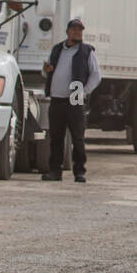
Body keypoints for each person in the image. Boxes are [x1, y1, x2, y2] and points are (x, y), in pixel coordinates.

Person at [41, 18, 101, 182]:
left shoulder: (86, 51)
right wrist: (46, 71)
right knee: (56, 137)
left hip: (74, 99)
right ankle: (55, 171)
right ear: (68, 32)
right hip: (57, 99)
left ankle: (79, 171)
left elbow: (96, 75)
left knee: (77, 137)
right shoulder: (57, 50)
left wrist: (84, 92)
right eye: (74, 30)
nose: (77, 32)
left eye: (80, 30)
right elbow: (47, 72)